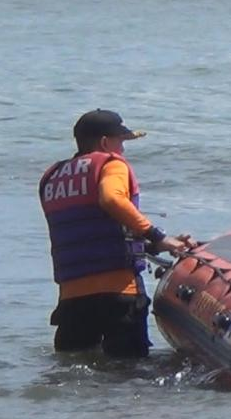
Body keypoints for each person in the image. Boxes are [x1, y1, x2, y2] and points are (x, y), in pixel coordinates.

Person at [39, 109, 194, 358]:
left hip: (72, 300)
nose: (122, 149)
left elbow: (91, 232)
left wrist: (157, 246)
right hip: (118, 294)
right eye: (120, 141)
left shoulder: (51, 177)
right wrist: (158, 236)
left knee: (76, 367)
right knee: (128, 375)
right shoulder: (111, 165)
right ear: (104, 142)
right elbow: (111, 199)